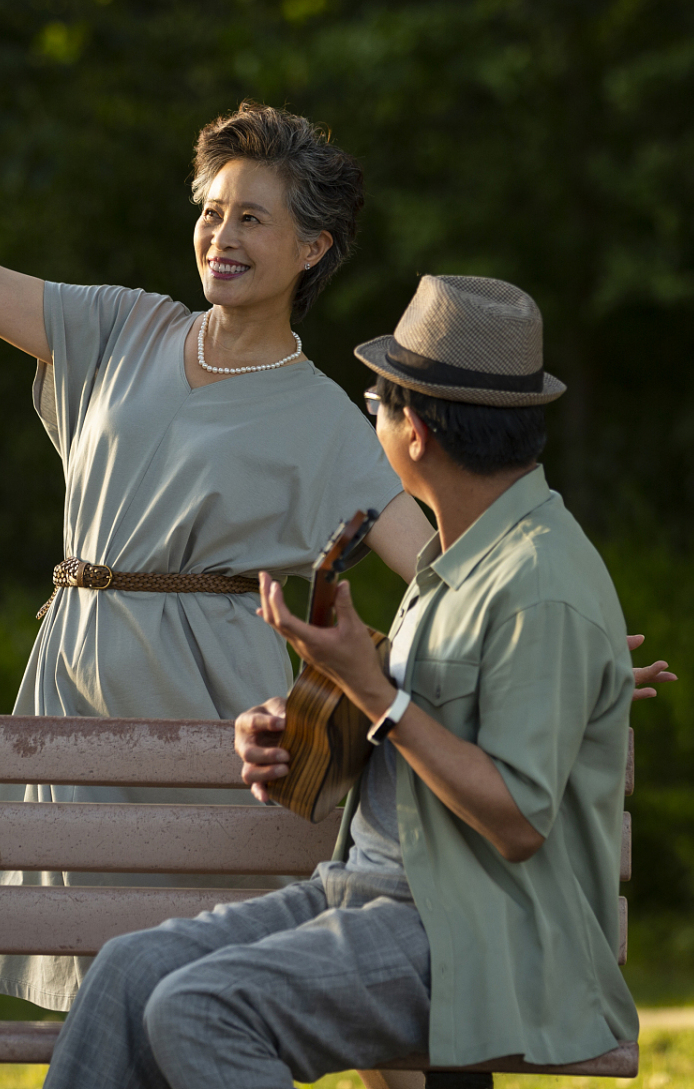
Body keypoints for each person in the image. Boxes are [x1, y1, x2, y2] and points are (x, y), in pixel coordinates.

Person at [0, 54, 675, 1012]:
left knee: (231, 970)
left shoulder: (333, 417)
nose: (221, 234)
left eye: (253, 217)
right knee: (96, 979)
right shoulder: (119, 329)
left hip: (221, 725)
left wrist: (547, 645)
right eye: (212, 210)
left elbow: (436, 564)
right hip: (75, 687)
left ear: (313, 249)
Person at [41, 274, 638, 1089]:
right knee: (127, 971)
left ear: (417, 431)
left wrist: (377, 693)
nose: (371, 418)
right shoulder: (463, 561)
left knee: (201, 1009)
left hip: (470, 930)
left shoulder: (541, 580)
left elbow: (518, 818)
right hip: (365, 891)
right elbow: (419, 722)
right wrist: (301, 718)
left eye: (376, 402)